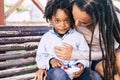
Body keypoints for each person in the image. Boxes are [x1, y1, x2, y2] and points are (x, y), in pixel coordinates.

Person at [54, 0, 120, 80]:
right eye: (74, 17)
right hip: (90, 57)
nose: (76, 24)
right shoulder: (69, 14)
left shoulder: (112, 20)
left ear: (98, 16)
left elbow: (111, 50)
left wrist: (74, 54)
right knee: (108, 72)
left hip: (112, 50)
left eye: (84, 23)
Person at [34, 0, 92, 80]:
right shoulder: (47, 37)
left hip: (74, 71)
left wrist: (81, 64)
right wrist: (51, 60)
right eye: (57, 21)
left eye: (66, 20)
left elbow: (85, 54)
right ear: (51, 20)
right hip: (55, 72)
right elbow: (40, 56)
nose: (62, 25)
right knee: (59, 74)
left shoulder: (78, 37)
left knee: (89, 74)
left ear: (71, 19)